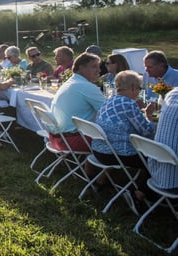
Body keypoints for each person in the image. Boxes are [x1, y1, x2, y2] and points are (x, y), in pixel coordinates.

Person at [93, 70, 156, 209]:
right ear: (133, 88)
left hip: (99, 150)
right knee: (156, 159)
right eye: (139, 88)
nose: (139, 92)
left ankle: (102, 182)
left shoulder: (109, 100)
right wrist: (149, 116)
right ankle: (140, 193)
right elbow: (147, 131)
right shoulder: (129, 104)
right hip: (117, 154)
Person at [50, 52, 105, 152]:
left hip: (55, 138)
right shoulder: (86, 86)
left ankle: (92, 165)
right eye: (94, 67)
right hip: (71, 141)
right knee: (118, 139)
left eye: (99, 67)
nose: (99, 70)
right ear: (81, 68)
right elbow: (108, 112)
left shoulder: (71, 82)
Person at [150, 87, 178, 189]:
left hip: (155, 171)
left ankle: (141, 192)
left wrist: (150, 116)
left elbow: (157, 116)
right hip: (174, 181)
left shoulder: (172, 93)